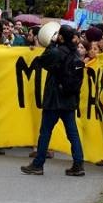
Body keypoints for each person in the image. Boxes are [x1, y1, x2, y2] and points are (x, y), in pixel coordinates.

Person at [21, 25, 85, 177]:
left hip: (54, 99)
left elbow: (41, 62)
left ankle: (38, 164)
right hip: (69, 98)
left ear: (61, 37)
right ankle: (78, 163)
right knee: (72, 133)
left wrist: (51, 44)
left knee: (45, 132)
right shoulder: (75, 53)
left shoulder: (56, 51)